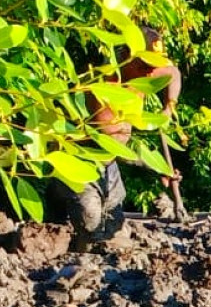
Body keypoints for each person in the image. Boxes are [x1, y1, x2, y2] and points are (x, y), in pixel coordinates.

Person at [63, 27, 183, 248]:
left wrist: (169, 106)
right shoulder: (103, 87)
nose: (150, 74)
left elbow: (173, 73)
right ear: (126, 56)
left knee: (113, 226)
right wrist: (157, 167)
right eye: (145, 66)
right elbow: (114, 144)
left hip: (109, 167)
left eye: (154, 67)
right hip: (81, 161)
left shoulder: (146, 72)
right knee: (90, 223)